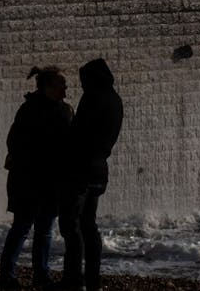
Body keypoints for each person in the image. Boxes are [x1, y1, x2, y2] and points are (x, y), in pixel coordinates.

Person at [0, 66, 72, 290]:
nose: (66, 90)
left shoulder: (62, 110)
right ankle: (11, 276)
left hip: (46, 182)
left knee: (40, 229)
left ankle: (36, 276)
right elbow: (15, 143)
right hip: (29, 181)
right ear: (48, 87)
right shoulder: (33, 110)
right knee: (25, 227)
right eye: (62, 85)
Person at [61, 59, 123, 291]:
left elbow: (78, 133)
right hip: (99, 170)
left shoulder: (93, 98)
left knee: (71, 226)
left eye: (84, 80)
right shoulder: (115, 99)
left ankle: (73, 280)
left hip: (80, 171)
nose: (82, 85)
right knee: (89, 225)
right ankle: (92, 280)